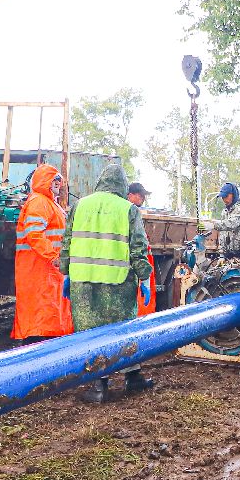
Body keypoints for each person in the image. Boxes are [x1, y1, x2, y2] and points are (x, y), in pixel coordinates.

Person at [60, 163, 154, 403]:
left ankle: (98, 386)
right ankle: (132, 378)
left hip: (83, 282)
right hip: (117, 282)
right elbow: (138, 249)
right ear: (123, 185)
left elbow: (67, 241)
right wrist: (144, 277)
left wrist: (66, 273)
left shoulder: (80, 205)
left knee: (90, 334)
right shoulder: (128, 209)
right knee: (123, 331)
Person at [11, 164, 70, 341]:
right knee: (40, 314)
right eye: (55, 180)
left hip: (44, 269)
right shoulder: (39, 202)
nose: (58, 183)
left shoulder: (48, 203)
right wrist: (54, 257)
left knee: (46, 312)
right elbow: (34, 234)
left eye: (59, 180)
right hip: (40, 269)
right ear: (45, 181)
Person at [128, 181, 158, 314]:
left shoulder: (135, 213)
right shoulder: (129, 212)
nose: (143, 198)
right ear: (130, 195)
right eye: (140, 195)